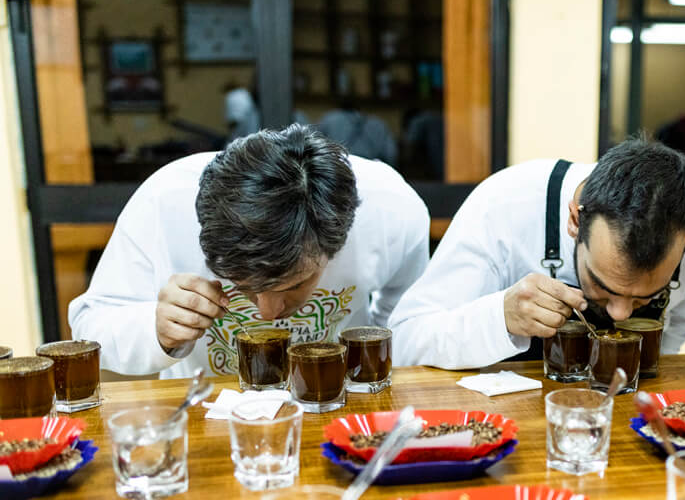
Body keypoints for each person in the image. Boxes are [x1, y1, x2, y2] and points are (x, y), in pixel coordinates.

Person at [69, 124, 429, 379]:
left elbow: (407, 320)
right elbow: (90, 326)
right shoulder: (161, 204)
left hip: (334, 399)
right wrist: (156, 327)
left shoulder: (392, 212)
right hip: (204, 410)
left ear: (342, 236)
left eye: (293, 285)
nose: (268, 312)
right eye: (243, 286)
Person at [388, 138, 685, 369]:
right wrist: (500, 318)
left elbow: (674, 332)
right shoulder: (505, 205)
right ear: (575, 219)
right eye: (604, 286)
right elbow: (404, 342)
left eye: (644, 297)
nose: (621, 313)